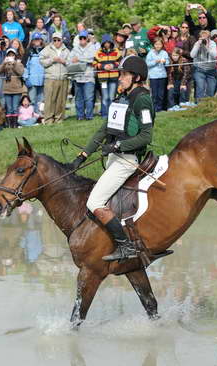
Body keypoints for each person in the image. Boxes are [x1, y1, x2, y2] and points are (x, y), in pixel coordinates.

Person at [69, 55, 155, 262]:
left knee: (95, 202)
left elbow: (146, 136)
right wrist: (82, 156)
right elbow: (103, 130)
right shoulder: (121, 98)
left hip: (127, 160)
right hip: (114, 159)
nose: (120, 78)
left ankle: (126, 246)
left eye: (124, 74)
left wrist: (117, 145)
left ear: (136, 77)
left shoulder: (142, 100)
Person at [39, 32, 69, 123]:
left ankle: (59, 119)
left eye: (58, 40)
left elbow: (71, 62)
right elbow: (41, 61)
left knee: (61, 100)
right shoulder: (47, 49)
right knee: (49, 100)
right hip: (50, 78)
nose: (56, 42)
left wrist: (64, 61)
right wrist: (52, 60)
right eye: (54, 40)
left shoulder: (66, 50)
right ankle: (48, 119)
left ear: (61, 40)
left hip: (63, 78)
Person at [69, 30, 96, 120]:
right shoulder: (75, 48)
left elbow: (92, 59)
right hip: (77, 77)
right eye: (81, 38)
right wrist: (75, 60)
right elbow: (70, 59)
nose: (82, 40)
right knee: (78, 98)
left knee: (88, 98)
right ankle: (80, 116)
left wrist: (79, 59)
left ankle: (89, 116)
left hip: (88, 77)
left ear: (87, 38)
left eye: (84, 38)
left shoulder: (92, 47)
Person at [94, 34, 121, 119]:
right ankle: (105, 114)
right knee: (105, 97)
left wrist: (113, 65)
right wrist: (103, 67)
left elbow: (120, 61)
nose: (107, 44)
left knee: (112, 97)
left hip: (113, 78)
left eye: (108, 42)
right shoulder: (99, 52)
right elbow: (94, 63)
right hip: (103, 79)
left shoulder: (116, 51)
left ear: (111, 42)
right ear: (102, 43)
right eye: (105, 42)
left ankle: (112, 114)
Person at [0, 47, 25, 127]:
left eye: (12, 55)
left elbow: (21, 72)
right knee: (9, 108)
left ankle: (15, 124)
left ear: (15, 55)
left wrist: (14, 63)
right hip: (7, 89)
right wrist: (4, 63)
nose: (11, 56)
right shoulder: (5, 64)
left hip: (16, 89)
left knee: (15, 107)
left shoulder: (18, 63)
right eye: (9, 55)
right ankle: (9, 125)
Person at [190, 29, 217, 101]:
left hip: (211, 70)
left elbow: (214, 55)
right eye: (203, 37)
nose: (204, 39)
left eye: (206, 37)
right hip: (199, 69)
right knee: (200, 87)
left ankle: (208, 105)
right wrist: (198, 44)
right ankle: (199, 105)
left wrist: (207, 47)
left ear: (209, 38)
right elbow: (192, 55)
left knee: (211, 89)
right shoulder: (197, 43)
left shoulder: (212, 44)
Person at [22, 33, 44, 113]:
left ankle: (39, 116)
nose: (37, 41)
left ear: (41, 40)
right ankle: (31, 116)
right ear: (32, 41)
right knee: (32, 100)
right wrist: (26, 78)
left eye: (38, 39)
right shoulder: (28, 51)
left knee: (40, 101)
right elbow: (24, 66)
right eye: (35, 39)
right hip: (32, 80)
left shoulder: (45, 50)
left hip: (42, 80)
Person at [146, 37, 168, 112]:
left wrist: (165, 62)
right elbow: (147, 64)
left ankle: (160, 108)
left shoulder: (164, 53)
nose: (158, 46)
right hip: (153, 76)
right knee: (154, 94)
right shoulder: (150, 53)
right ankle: (154, 109)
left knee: (161, 94)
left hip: (162, 76)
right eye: (156, 44)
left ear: (162, 45)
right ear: (154, 45)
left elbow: (168, 63)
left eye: (160, 44)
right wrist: (156, 61)